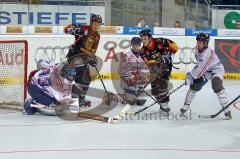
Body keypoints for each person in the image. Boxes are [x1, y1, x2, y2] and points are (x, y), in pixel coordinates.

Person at [180, 33, 232, 119]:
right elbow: (199, 65)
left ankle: (226, 109)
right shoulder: (197, 50)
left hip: (217, 70)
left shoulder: (207, 54)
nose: (198, 44)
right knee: (194, 86)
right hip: (207, 71)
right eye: (198, 42)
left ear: (206, 43)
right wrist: (191, 77)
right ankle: (186, 105)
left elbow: (201, 68)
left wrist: (191, 76)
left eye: (200, 42)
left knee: (217, 86)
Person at [64, 14, 102, 107]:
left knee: (87, 79)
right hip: (74, 56)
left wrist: (92, 58)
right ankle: (73, 99)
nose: (96, 26)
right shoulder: (84, 28)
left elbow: (92, 51)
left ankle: (81, 97)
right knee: (73, 78)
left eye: (98, 24)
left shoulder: (97, 36)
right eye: (95, 24)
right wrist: (75, 30)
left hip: (83, 59)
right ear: (91, 22)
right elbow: (66, 30)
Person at [139, 29, 178, 113]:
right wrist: (152, 72)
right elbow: (148, 64)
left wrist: (168, 54)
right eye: (142, 39)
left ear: (150, 37)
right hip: (156, 68)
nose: (143, 41)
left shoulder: (160, 41)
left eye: (145, 38)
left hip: (166, 66)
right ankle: (163, 106)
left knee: (162, 84)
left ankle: (165, 107)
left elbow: (175, 47)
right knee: (154, 91)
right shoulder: (143, 51)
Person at [119, 37, 149, 105]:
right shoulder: (127, 55)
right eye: (133, 45)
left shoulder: (143, 56)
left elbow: (145, 68)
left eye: (136, 45)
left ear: (139, 45)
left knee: (144, 80)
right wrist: (128, 75)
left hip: (136, 79)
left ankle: (135, 95)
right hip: (127, 80)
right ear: (131, 45)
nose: (135, 47)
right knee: (131, 102)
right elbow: (121, 69)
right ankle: (114, 97)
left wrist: (143, 76)